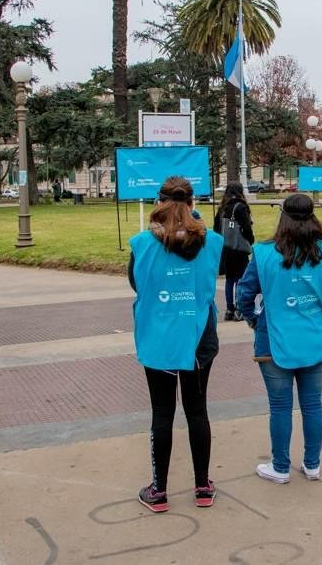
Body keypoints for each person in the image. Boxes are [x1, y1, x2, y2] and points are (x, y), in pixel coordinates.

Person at [128, 176, 223, 512]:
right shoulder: (212, 242)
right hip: (199, 337)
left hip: (159, 336)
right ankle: (202, 487)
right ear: (192, 202)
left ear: (159, 201)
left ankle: (160, 491)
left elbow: (136, 284)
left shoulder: (142, 243)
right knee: (197, 411)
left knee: (162, 413)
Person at [237, 194, 322, 484]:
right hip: (317, 339)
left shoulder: (263, 254)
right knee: (313, 404)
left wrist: (254, 319)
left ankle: (280, 467)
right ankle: (312, 465)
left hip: (274, 340)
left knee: (280, 407)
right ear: (314, 215)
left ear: (282, 215)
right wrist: (319, 315)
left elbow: (244, 294)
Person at [213, 182, 255, 320]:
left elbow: (216, 228)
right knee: (240, 279)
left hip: (225, 248)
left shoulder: (222, 208)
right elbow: (247, 228)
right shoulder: (241, 207)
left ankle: (229, 309)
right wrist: (250, 240)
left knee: (229, 279)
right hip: (239, 248)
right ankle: (239, 308)